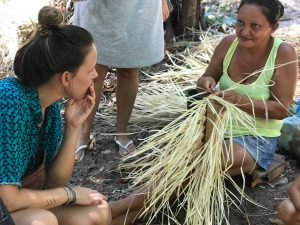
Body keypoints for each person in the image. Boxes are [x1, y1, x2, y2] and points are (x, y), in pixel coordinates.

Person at [106, 0, 299, 224]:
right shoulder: (228, 44)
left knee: (194, 165)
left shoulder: (283, 53)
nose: (244, 31)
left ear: (273, 28)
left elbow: (281, 109)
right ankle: (120, 218)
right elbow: (206, 78)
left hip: (254, 138)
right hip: (214, 125)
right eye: (240, 22)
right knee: (187, 172)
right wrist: (206, 82)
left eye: (255, 26)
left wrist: (239, 100)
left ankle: (116, 208)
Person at [0, 6, 111, 225]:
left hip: (12, 205)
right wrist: (70, 194)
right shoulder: (10, 102)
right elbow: (9, 200)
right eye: (90, 70)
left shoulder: (48, 104)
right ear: (67, 78)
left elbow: (54, 182)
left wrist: (73, 126)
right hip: (6, 205)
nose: (96, 75)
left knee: (97, 213)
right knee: (41, 221)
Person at [73, 0, 170, 160]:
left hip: (139, 6)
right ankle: (83, 133)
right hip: (98, 7)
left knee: (129, 68)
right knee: (94, 68)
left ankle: (122, 131)